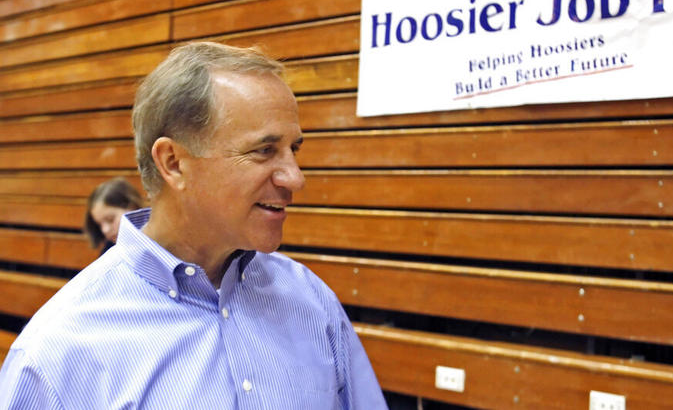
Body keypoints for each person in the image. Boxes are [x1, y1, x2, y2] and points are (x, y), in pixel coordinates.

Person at [0, 42, 388, 409]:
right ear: (173, 162)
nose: (294, 178)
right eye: (264, 150)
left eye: (294, 150)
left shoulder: (310, 301)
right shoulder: (57, 354)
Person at [84, 177, 143, 254]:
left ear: (133, 207)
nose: (105, 230)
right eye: (99, 225)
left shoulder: (153, 240)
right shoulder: (108, 250)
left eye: (110, 219)